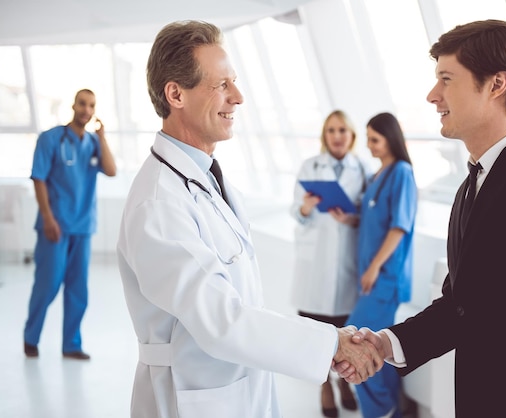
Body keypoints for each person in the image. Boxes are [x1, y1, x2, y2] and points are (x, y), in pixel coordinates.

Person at [336, 20, 506, 418]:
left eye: (446, 79)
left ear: (497, 84)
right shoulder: (474, 183)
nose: (433, 95)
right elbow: (462, 306)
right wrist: (386, 344)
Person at [116, 20, 381, 418]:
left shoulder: (205, 179)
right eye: (221, 84)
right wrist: (331, 344)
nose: (238, 97)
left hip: (234, 385)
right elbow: (222, 320)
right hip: (190, 396)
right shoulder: (158, 203)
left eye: (234, 82)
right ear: (176, 94)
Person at [24, 88, 117, 360]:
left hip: (83, 227)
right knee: (47, 285)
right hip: (55, 226)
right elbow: (38, 178)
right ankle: (30, 338)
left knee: (78, 289)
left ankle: (71, 345)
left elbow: (111, 171)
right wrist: (49, 218)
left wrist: (102, 138)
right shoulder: (50, 139)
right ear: (73, 106)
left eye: (91, 105)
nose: (86, 110)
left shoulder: (92, 143)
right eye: (82, 104)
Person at [290, 109, 369, 417]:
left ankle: (344, 383)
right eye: (332, 131)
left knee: (345, 330)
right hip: (315, 261)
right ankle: (324, 385)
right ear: (325, 135)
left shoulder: (362, 169)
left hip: (347, 261)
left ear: (351, 136)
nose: (337, 136)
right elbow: (295, 212)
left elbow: (370, 218)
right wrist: (306, 208)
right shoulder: (310, 167)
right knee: (315, 329)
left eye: (343, 131)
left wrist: (352, 219)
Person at [342, 112, 417, 418]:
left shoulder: (401, 172)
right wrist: (348, 218)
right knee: (380, 349)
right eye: (368, 138)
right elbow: (371, 220)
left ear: (391, 139)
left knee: (358, 343)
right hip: (370, 279)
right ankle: (395, 409)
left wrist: (374, 267)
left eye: (375, 139)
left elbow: (399, 227)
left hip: (384, 279)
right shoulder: (377, 176)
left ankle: (380, 410)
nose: (369, 145)